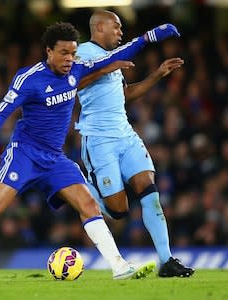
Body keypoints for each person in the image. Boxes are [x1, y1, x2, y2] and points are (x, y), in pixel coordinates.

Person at [0, 21, 180, 279]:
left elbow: (116, 54)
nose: (69, 59)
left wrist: (149, 37)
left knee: (89, 204)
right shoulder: (28, 78)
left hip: (55, 158)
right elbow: (1, 112)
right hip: (25, 154)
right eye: (64, 53)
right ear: (49, 51)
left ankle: (119, 266)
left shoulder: (76, 70)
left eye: (73, 53)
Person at [75, 10, 194, 277]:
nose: (120, 32)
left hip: (125, 136)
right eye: (116, 27)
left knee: (149, 192)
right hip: (98, 140)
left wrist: (157, 74)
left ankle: (166, 261)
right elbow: (73, 84)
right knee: (118, 211)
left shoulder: (115, 61)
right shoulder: (82, 52)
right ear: (100, 27)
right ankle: (79, 188)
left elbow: (125, 94)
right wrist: (108, 66)